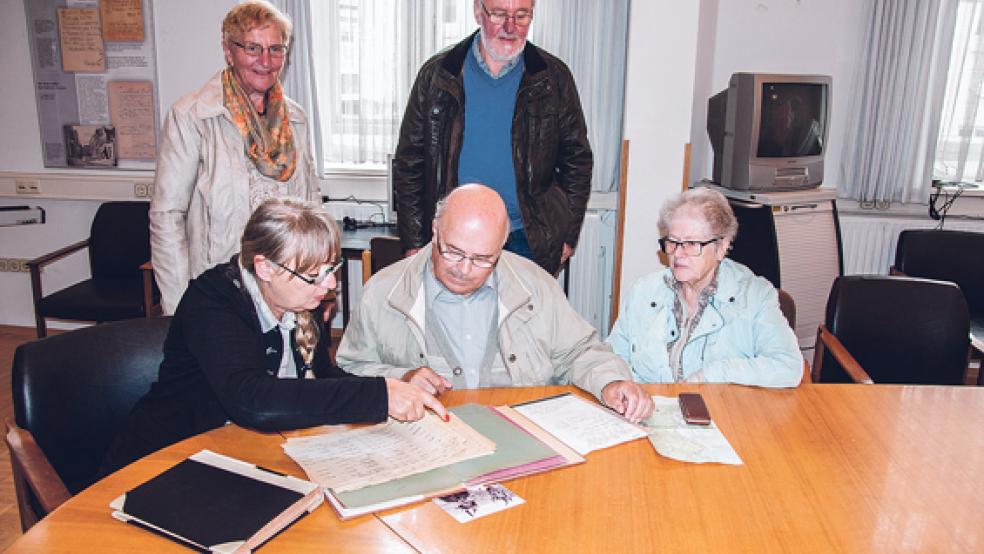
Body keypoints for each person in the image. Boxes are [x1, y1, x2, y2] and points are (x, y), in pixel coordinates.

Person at [101, 199, 446, 474]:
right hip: (165, 463)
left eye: (332, 270)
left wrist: (396, 382)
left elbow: (321, 378)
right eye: (314, 275)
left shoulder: (297, 295)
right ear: (265, 268)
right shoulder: (213, 301)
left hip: (241, 453)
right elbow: (253, 400)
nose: (329, 286)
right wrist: (378, 394)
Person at [337, 184, 653, 423]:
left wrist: (610, 381)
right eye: (453, 251)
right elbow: (350, 371)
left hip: (522, 430)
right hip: (427, 437)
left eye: (482, 259)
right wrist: (401, 378)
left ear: (502, 247)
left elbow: (580, 351)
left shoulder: (535, 284)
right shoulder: (383, 292)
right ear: (435, 230)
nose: (463, 269)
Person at [393, 0, 592, 276]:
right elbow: (409, 163)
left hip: (528, 239)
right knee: (456, 319)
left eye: (521, 16)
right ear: (478, 12)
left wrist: (567, 235)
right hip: (455, 240)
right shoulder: (438, 75)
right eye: (499, 14)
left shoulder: (553, 78)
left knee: (524, 320)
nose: (510, 27)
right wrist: (414, 241)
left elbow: (577, 160)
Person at [151, 0, 321, 315]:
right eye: (253, 48)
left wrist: (317, 283)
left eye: (276, 49)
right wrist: (178, 306)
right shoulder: (192, 117)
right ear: (229, 51)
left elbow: (310, 209)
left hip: (285, 288)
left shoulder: (296, 120)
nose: (266, 61)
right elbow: (167, 216)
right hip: (219, 289)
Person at [607, 188, 803, 387]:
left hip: (723, 412)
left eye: (692, 243)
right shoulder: (644, 292)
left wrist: (714, 374)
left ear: (721, 248)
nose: (678, 254)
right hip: (650, 409)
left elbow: (788, 367)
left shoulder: (754, 296)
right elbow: (613, 356)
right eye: (673, 242)